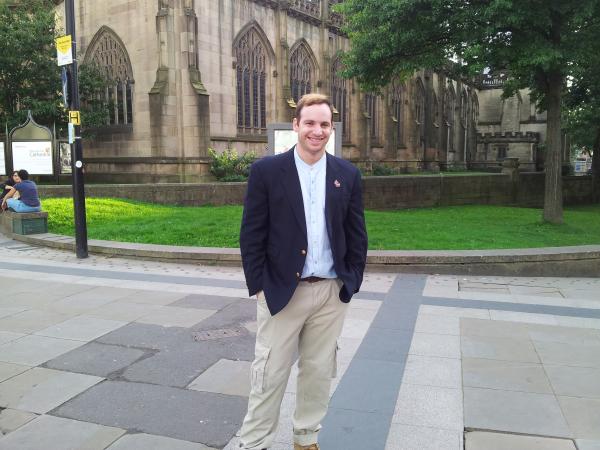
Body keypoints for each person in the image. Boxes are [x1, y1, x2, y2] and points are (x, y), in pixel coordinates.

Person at [239, 93, 368, 450]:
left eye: (324, 124)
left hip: (330, 293)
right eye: (310, 122)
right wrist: (259, 286)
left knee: (319, 371)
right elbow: (251, 234)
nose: (317, 130)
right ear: (296, 125)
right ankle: (254, 443)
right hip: (282, 291)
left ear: (331, 129)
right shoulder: (267, 171)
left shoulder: (347, 174)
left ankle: (306, 438)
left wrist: (351, 281)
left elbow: (357, 233)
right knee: (269, 372)